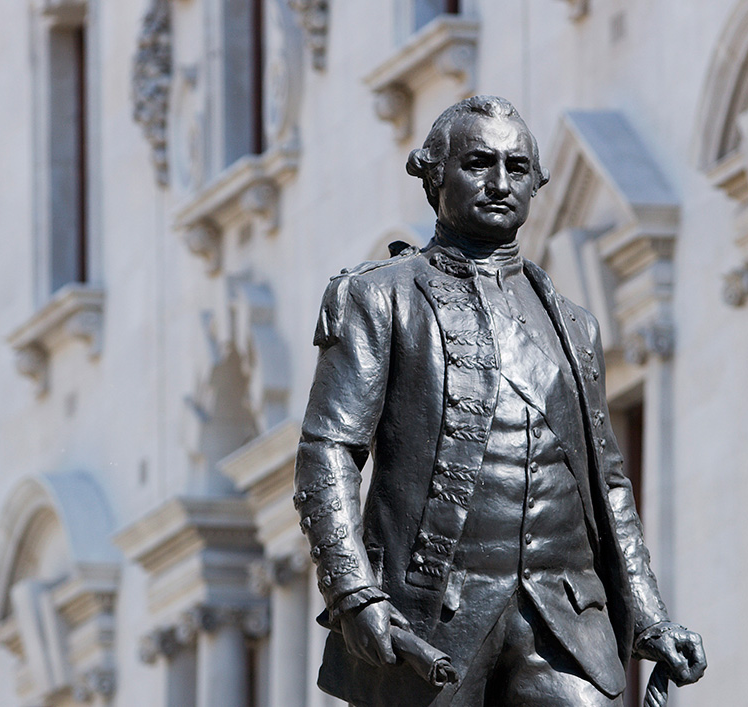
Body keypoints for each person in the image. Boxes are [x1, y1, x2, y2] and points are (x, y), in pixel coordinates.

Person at [294, 96, 706, 706]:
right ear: (434, 175)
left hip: (563, 616)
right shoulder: (379, 299)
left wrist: (648, 615)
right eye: (478, 163)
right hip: (432, 614)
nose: (499, 183)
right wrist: (353, 592)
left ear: (537, 185)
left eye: (517, 169)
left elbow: (608, 484)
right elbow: (328, 451)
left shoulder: (574, 324)